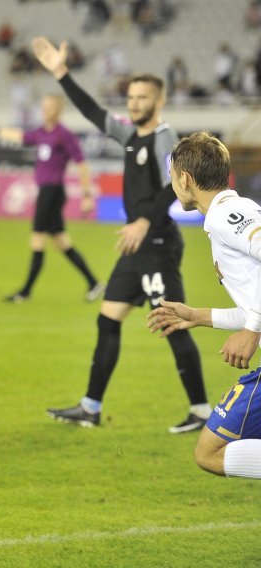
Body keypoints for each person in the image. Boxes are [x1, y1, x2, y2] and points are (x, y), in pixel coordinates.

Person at [32, 37, 210, 433]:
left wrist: (145, 220)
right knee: (108, 319)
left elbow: (175, 184)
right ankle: (91, 407)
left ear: (158, 101)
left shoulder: (165, 135)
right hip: (135, 248)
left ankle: (201, 412)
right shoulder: (131, 136)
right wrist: (61, 73)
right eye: (130, 97)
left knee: (172, 322)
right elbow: (94, 112)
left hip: (158, 244)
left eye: (141, 97)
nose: (133, 103)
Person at [147, 132, 261, 478]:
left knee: (210, 451)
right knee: (209, 449)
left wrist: (251, 331)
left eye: (172, 176)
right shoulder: (229, 214)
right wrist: (197, 316)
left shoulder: (230, 215)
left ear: (185, 179)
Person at [0, 93, 102, 303]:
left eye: (50, 106)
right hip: (46, 191)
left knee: (37, 239)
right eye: (43, 106)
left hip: (52, 192)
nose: (45, 109)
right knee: (62, 242)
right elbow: (21, 137)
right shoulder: (41, 132)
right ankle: (94, 283)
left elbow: (82, 163)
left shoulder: (64, 134)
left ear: (59, 109)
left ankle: (25, 292)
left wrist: (87, 195)